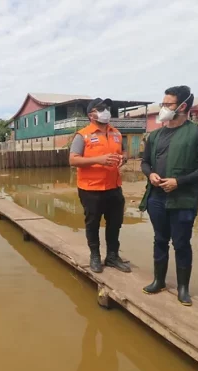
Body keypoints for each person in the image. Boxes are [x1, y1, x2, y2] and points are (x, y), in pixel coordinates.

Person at [138, 86, 198, 306]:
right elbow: (145, 162)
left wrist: (179, 182)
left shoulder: (197, 134)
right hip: (156, 199)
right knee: (160, 240)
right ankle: (159, 280)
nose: (163, 108)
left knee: (181, 244)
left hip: (183, 200)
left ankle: (182, 288)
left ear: (183, 107)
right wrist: (150, 175)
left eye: (168, 104)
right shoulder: (155, 135)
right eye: (163, 104)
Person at [69, 98, 130, 274]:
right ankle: (95, 256)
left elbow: (124, 152)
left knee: (115, 224)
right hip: (91, 189)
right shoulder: (83, 135)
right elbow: (73, 160)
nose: (106, 111)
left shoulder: (117, 133)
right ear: (91, 115)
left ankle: (112, 256)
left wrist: (123, 159)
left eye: (107, 108)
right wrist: (99, 160)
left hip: (114, 187)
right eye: (101, 108)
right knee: (93, 224)